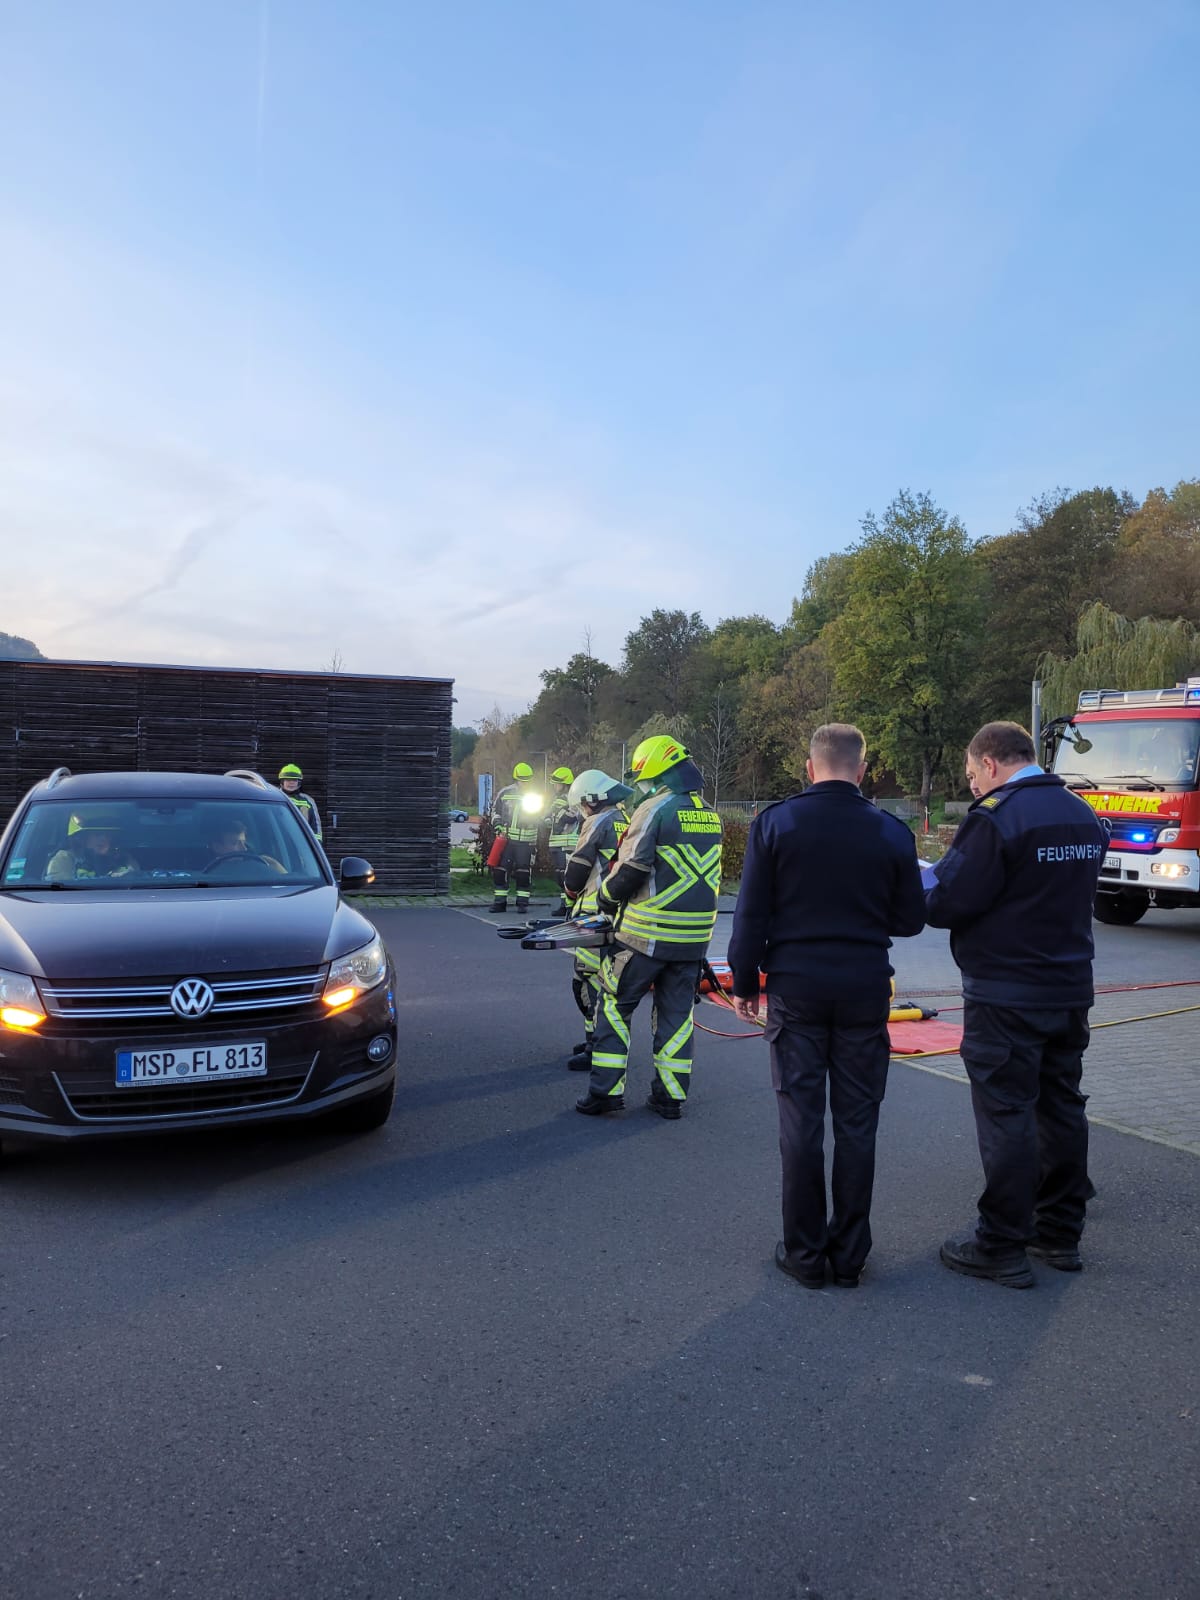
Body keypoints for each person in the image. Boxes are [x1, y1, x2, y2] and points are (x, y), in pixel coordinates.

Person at [728, 724, 925, 1290]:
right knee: (858, 1123)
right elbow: (911, 919)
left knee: (801, 1121)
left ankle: (805, 1254)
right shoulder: (891, 830)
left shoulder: (776, 823)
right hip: (864, 988)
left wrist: (745, 982)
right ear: (861, 770)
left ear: (810, 768)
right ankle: (850, 1256)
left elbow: (750, 914)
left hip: (797, 989)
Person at [926, 720, 1106, 1288]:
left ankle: (1001, 1243)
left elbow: (947, 901)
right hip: (1069, 987)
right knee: (1061, 1108)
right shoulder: (1080, 812)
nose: (974, 785)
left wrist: (920, 882)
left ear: (990, 762)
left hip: (1006, 992)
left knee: (1007, 1113)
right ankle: (1060, 1233)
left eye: (972, 775)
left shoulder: (997, 817)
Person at [575, 735, 722, 1120]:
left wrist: (605, 898)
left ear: (657, 773)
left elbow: (632, 868)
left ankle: (605, 1093)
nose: (641, 785)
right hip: (693, 942)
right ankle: (670, 1098)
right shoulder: (710, 813)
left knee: (614, 1005)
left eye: (643, 777)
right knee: (676, 1017)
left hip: (644, 937)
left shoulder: (654, 809)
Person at [558, 769, 634, 1072]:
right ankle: (594, 1039)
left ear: (592, 800)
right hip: (617, 913)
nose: (581, 810)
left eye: (581, 804)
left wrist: (568, 892)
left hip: (593, 915)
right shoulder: (624, 819)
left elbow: (577, 869)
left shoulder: (598, 822)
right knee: (603, 980)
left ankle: (596, 1047)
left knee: (587, 982)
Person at [489, 762, 545, 916]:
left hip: (526, 842)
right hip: (506, 840)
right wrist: (498, 826)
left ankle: (522, 904)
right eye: (522, 780)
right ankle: (500, 903)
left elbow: (542, 816)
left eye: (527, 780)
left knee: (523, 872)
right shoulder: (505, 793)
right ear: (516, 778)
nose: (524, 783)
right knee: (500, 871)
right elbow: (495, 811)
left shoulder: (536, 796)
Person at [46, 811, 140, 881]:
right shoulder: (65, 858)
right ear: (83, 838)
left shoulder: (123, 858)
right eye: (97, 834)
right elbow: (61, 890)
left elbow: (136, 878)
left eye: (108, 835)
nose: (103, 839)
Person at [546, 766, 580, 915]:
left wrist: (557, 813)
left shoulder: (573, 798)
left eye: (557, 783)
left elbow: (572, 817)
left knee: (566, 876)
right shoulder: (557, 800)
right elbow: (549, 817)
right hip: (556, 842)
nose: (554, 786)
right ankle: (564, 905)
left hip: (567, 843)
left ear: (565, 784)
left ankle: (570, 906)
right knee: (560, 876)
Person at [204, 819, 287, 874]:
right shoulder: (202, 873)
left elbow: (286, 881)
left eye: (244, 842)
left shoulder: (262, 864)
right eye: (235, 843)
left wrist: (275, 865)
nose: (244, 848)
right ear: (217, 847)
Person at [277, 764, 323, 842]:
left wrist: (316, 844)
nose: (291, 783)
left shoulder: (308, 801)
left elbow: (315, 826)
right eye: (288, 780)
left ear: (299, 782)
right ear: (282, 782)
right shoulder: (274, 798)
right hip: (279, 842)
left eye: (294, 780)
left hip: (301, 844)